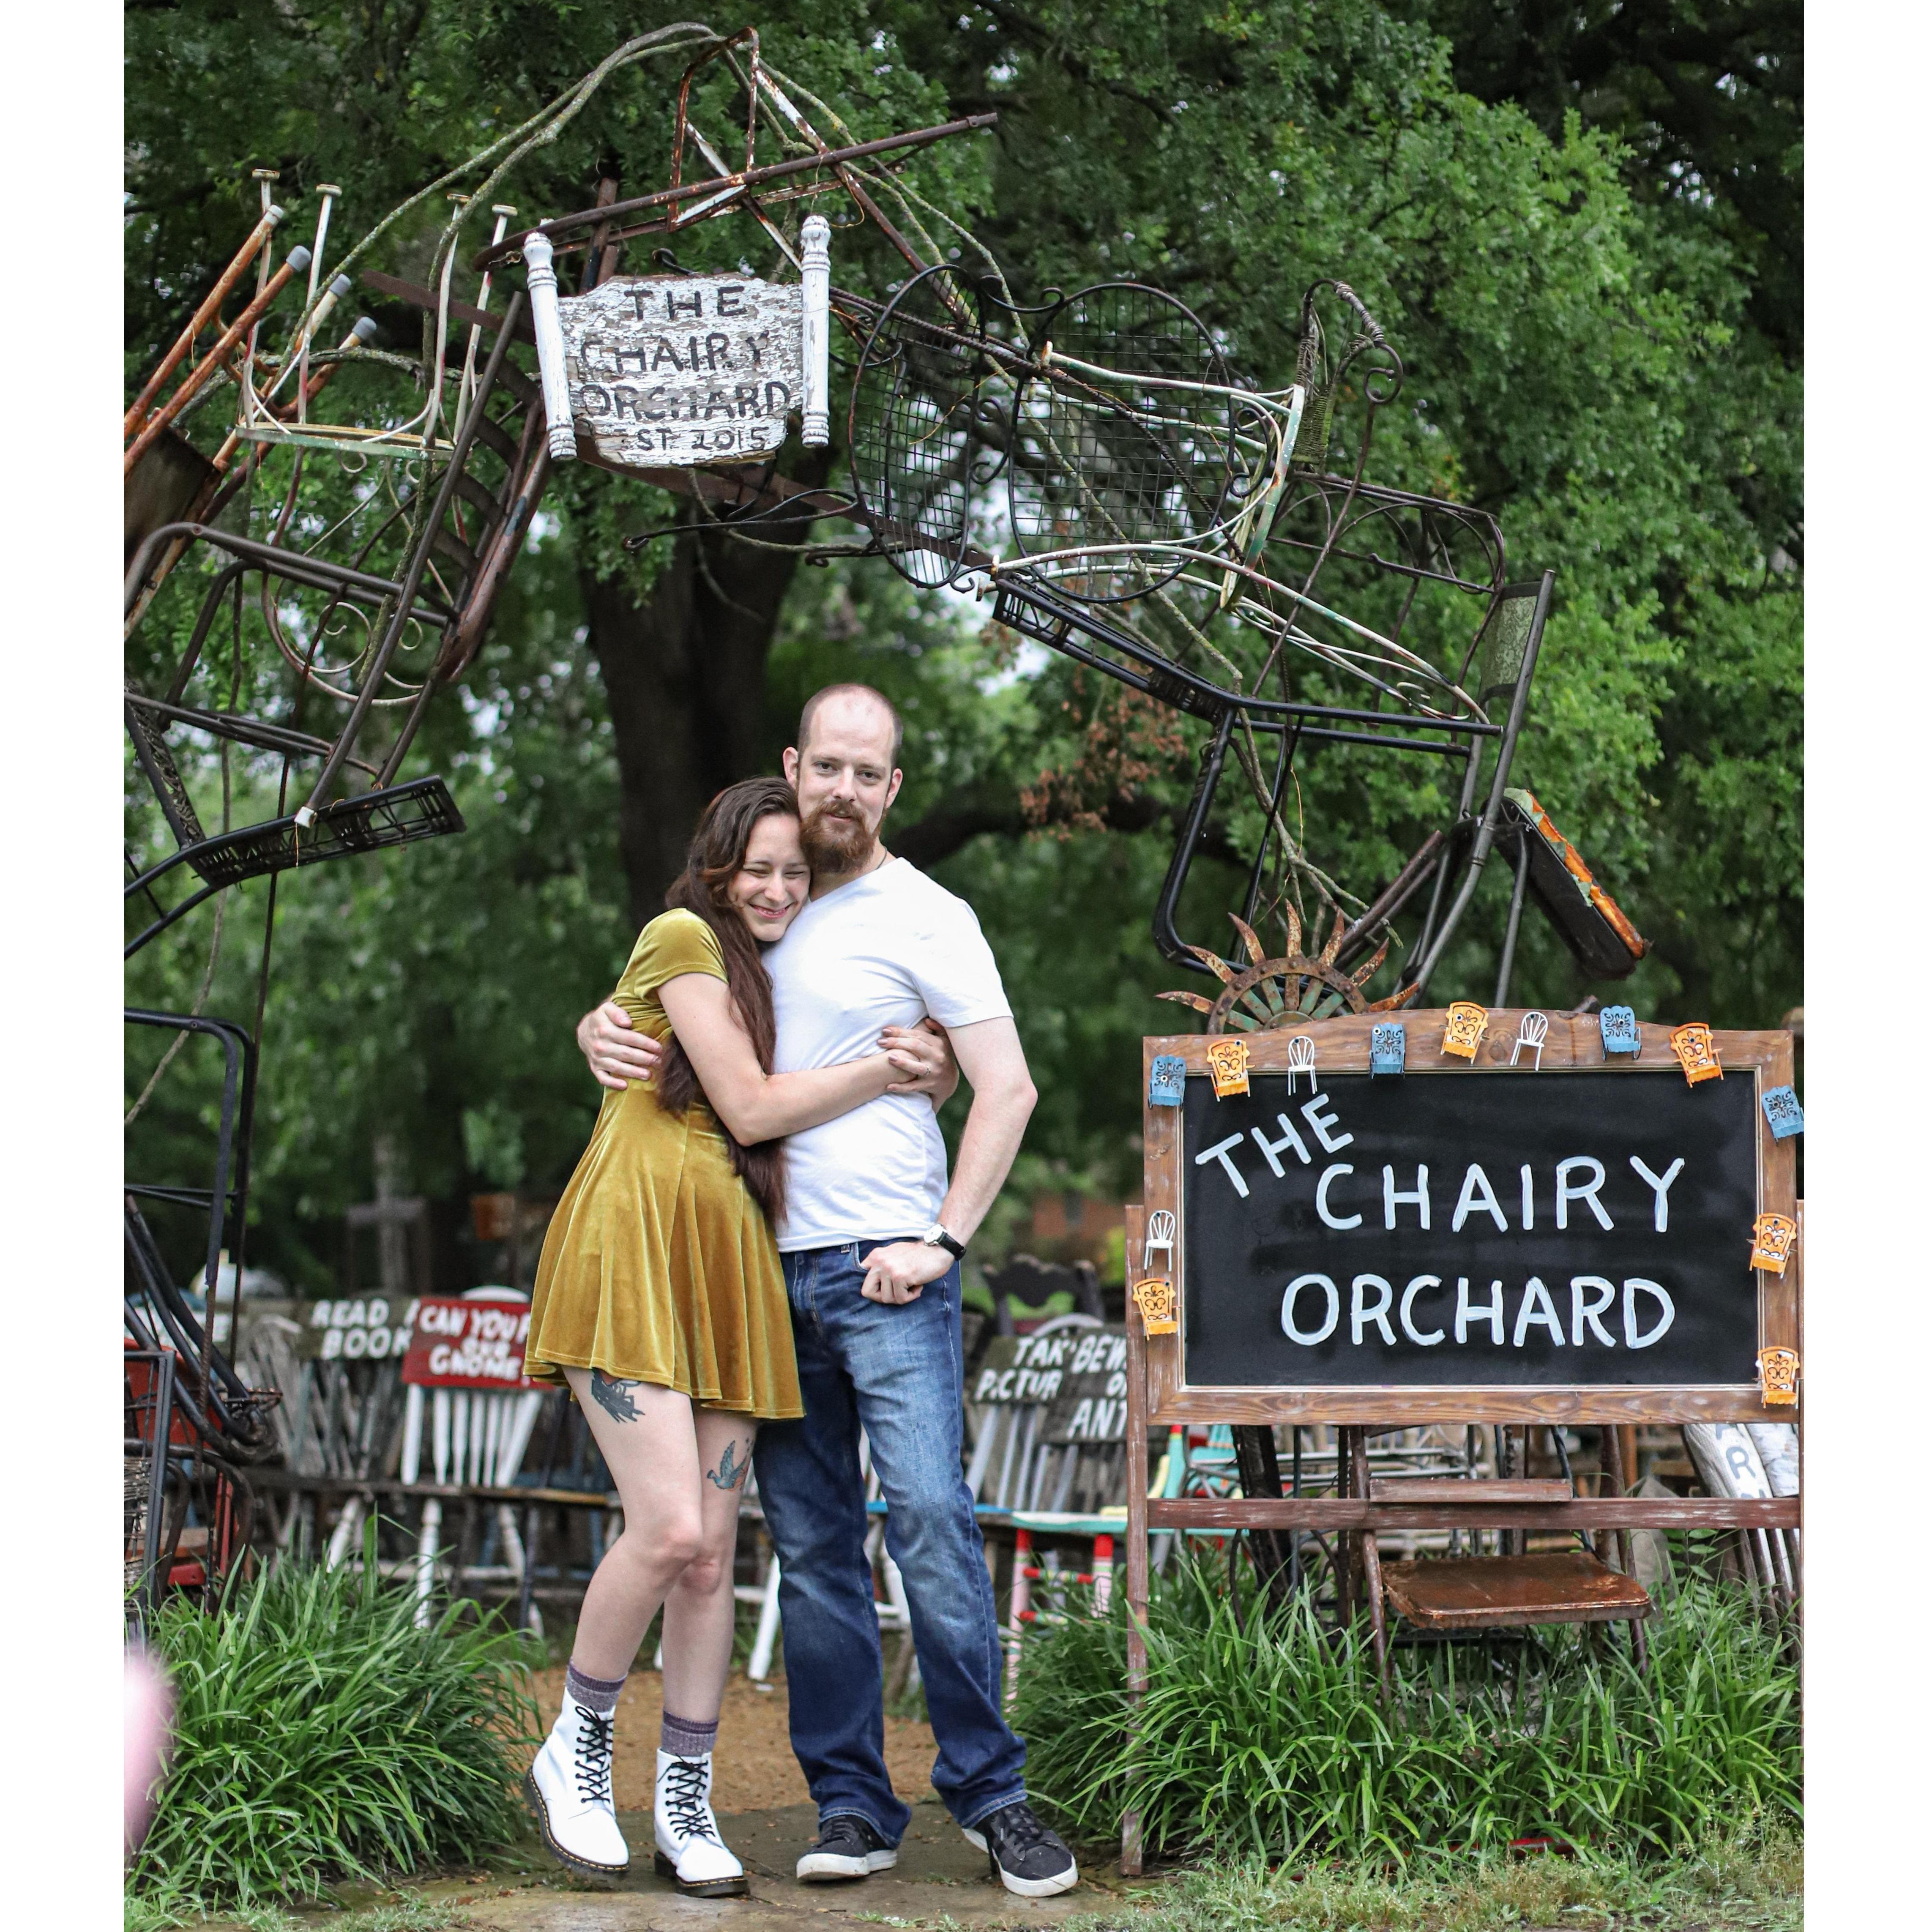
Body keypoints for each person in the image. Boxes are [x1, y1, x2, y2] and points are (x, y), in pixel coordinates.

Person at [576, 684, 1080, 1899]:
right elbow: (677, 1026)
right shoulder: (755, 910)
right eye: (828, 767)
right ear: (792, 766)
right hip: (757, 1272)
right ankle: (851, 1804)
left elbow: (1006, 1087)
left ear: (891, 787)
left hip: (887, 1270)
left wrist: (945, 1242)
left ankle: (991, 1796)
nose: (844, 789)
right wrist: (596, 1026)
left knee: (930, 1521)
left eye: (868, 771)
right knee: (811, 1553)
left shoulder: (931, 915)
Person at [523, 776, 956, 1895]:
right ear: (715, 868)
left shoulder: (775, 976)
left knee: (714, 1554)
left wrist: (937, 1062)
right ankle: (576, 1744)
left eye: (792, 873)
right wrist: (888, 1066)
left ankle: (684, 1795)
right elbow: (753, 1106)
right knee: (670, 1527)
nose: (774, 888)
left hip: (728, 1265)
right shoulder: (682, 934)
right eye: (755, 869)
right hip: (635, 1248)